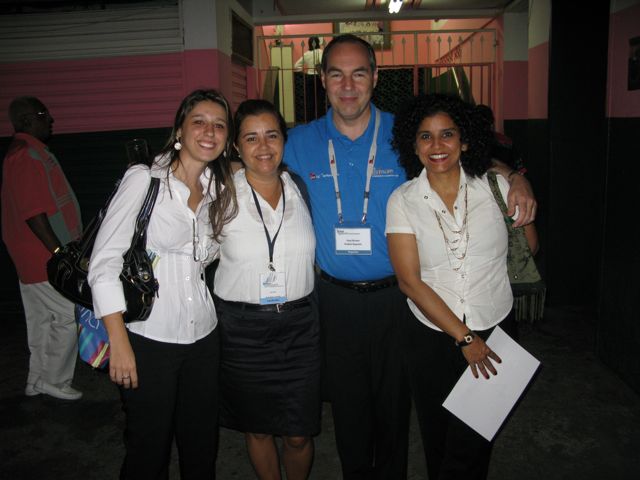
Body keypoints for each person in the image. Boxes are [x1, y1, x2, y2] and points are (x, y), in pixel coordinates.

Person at [283, 34, 538, 479]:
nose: (348, 85)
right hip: (334, 299)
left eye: (359, 73)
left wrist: (515, 175)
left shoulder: (403, 132)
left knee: (396, 409)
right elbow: (248, 162)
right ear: (322, 79)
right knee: (349, 411)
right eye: (337, 74)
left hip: (399, 300)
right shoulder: (297, 141)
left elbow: (459, 156)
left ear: (375, 77)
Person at [386, 93, 539, 480]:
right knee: (438, 437)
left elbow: (530, 247)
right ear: (413, 146)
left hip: (496, 324)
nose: (437, 145)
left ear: (465, 141)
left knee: (475, 440)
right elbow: (409, 281)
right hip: (431, 334)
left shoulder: (497, 187)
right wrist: (465, 338)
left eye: (447, 134)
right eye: (425, 136)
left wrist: (517, 181)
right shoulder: (403, 200)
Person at [87, 89, 237, 479]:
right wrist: (118, 340)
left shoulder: (218, 188)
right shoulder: (145, 179)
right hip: (147, 336)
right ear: (179, 130)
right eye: (199, 122)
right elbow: (103, 263)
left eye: (219, 125)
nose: (209, 131)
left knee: (201, 444)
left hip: (204, 336)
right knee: (148, 448)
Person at [213, 99, 319, 480]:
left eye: (272, 135)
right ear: (236, 146)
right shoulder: (219, 194)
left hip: (301, 328)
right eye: (251, 138)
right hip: (242, 332)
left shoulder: (300, 188)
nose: (263, 146)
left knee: (299, 433)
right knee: (257, 429)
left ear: (284, 140)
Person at [1, 96, 83, 401]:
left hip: (31, 255)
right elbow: (34, 214)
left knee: (41, 320)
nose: (50, 119)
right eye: (43, 114)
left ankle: (36, 380)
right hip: (42, 256)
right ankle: (55, 381)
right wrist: (59, 254)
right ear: (26, 120)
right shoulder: (26, 156)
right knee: (67, 315)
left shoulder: (27, 153)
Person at [475, 104, 525, 171]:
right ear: (492, 122)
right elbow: (520, 170)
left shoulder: (470, 144)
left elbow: (520, 169)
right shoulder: (506, 142)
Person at [294, 36, 326, 121]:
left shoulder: (306, 54)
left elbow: (296, 66)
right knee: (320, 99)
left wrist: (304, 72)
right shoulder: (320, 52)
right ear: (317, 43)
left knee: (310, 99)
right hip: (318, 77)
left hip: (309, 77)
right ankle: (320, 119)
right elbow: (322, 63)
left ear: (309, 44)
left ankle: (310, 120)